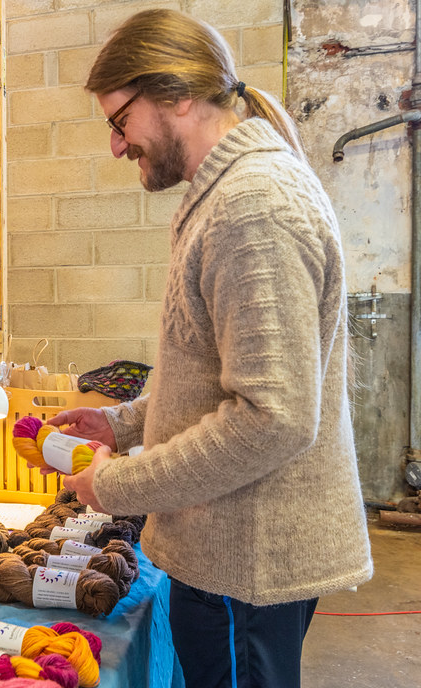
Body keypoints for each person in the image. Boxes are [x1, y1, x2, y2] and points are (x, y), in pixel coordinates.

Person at [48, 9, 373, 688]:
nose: (116, 146)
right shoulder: (231, 192)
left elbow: (271, 417)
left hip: (243, 568)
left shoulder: (251, 205)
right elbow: (218, 375)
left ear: (177, 96)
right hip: (233, 558)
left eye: (118, 121)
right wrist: (125, 422)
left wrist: (116, 483)